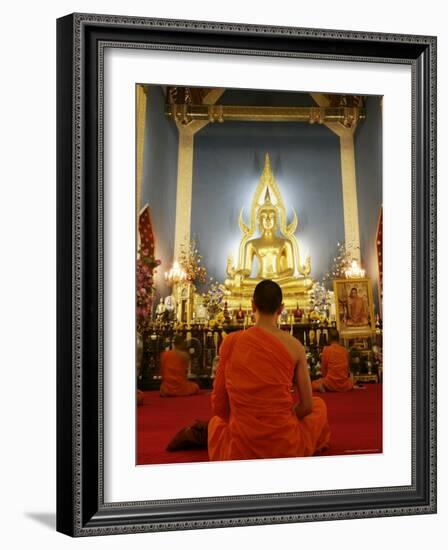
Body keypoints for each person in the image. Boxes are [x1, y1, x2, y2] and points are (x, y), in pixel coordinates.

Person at [208, 280, 330, 461]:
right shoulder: (295, 346)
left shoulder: (231, 342)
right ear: (281, 309)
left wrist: (244, 420)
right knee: (319, 406)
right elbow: (307, 405)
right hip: (284, 444)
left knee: (215, 423)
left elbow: (219, 404)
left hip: (241, 444)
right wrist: (280, 420)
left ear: (252, 305)